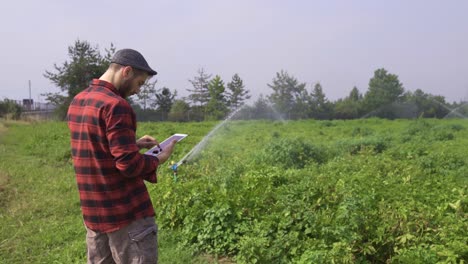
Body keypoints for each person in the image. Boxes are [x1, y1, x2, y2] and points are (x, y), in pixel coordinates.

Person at [67, 48, 175, 264]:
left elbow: (95, 148)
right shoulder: (116, 105)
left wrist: (132, 144)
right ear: (126, 71)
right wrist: (158, 158)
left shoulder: (79, 101)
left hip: (94, 214)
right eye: (140, 83)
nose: (137, 90)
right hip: (124, 214)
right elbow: (128, 165)